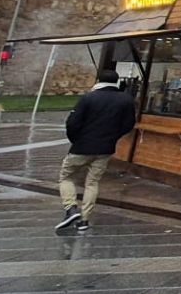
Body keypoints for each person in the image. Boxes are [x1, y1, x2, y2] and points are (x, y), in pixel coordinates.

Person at [56, 68, 138, 234]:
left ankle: (71, 208)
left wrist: (75, 139)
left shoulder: (88, 98)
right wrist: (113, 137)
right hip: (105, 148)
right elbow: (128, 124)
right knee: (92, 183)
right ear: (116, 81)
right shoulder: (126, 100)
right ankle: (85, 219)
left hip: (82, 146)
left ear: (98, 80)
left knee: (66, 176)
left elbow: (72, 123)